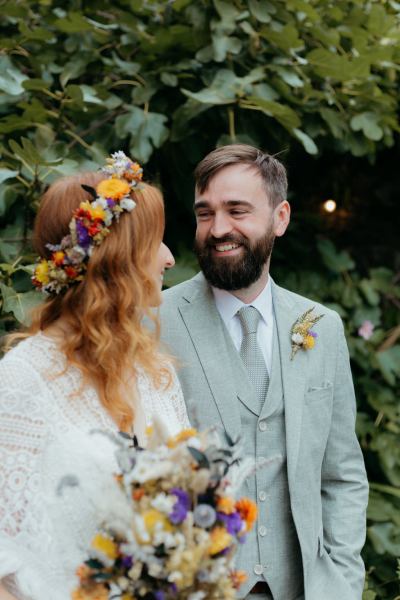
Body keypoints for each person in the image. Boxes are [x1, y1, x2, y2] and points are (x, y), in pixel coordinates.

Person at [160, 144, 368, 600]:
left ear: (281, 217)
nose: (218, 229)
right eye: (205, 213)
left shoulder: (322, 327)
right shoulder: (153, 321)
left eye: (237, 211)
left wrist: (342, 582)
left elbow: (342, 475)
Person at [0, 152, 190, 600]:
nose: (168, 257)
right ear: (117, 259)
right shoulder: (21, 381)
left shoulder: (157, 374)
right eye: (155, 241)